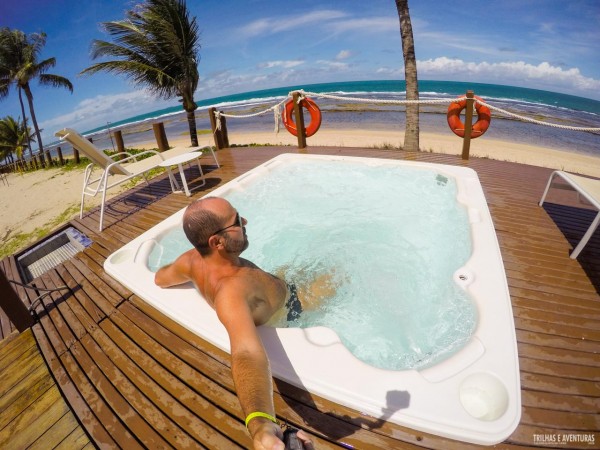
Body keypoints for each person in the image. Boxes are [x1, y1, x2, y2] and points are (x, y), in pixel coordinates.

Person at [154, 196, 315, 450]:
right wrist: (260, 424)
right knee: (343, 275)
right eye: (237, 221)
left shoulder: (190, 260)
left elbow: (160, 278)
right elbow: (246, 352)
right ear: (216, 242)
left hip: (273, 290)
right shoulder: (231, 291)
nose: (246, 221)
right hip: (294, 307)